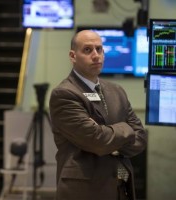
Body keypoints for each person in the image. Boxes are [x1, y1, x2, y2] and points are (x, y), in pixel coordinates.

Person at [49, 30, 147, 200]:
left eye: (99, 49)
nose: (96, 55)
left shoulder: (117, 91)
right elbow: (97, 141)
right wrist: (124, 129)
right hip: (85, 191)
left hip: (121, 189)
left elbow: (140, 138)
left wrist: (109, 137)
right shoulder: (64, 94)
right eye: (87, 50)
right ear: (73, 56)